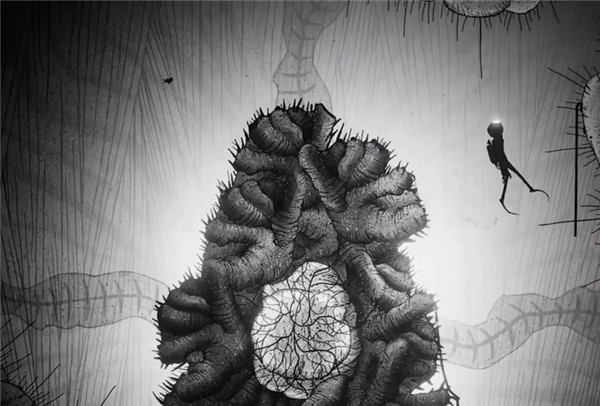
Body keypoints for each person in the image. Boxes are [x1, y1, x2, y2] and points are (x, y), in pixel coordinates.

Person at [487, 121, 549, 215]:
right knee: (511, 174)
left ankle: (526, 189)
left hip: (504, 160)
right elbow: (499, 154)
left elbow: (500, 153)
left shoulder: (498, 140)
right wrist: (503, 169)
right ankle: (504, 197)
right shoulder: (496, 141)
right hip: (503, 161)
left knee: (511, 174)